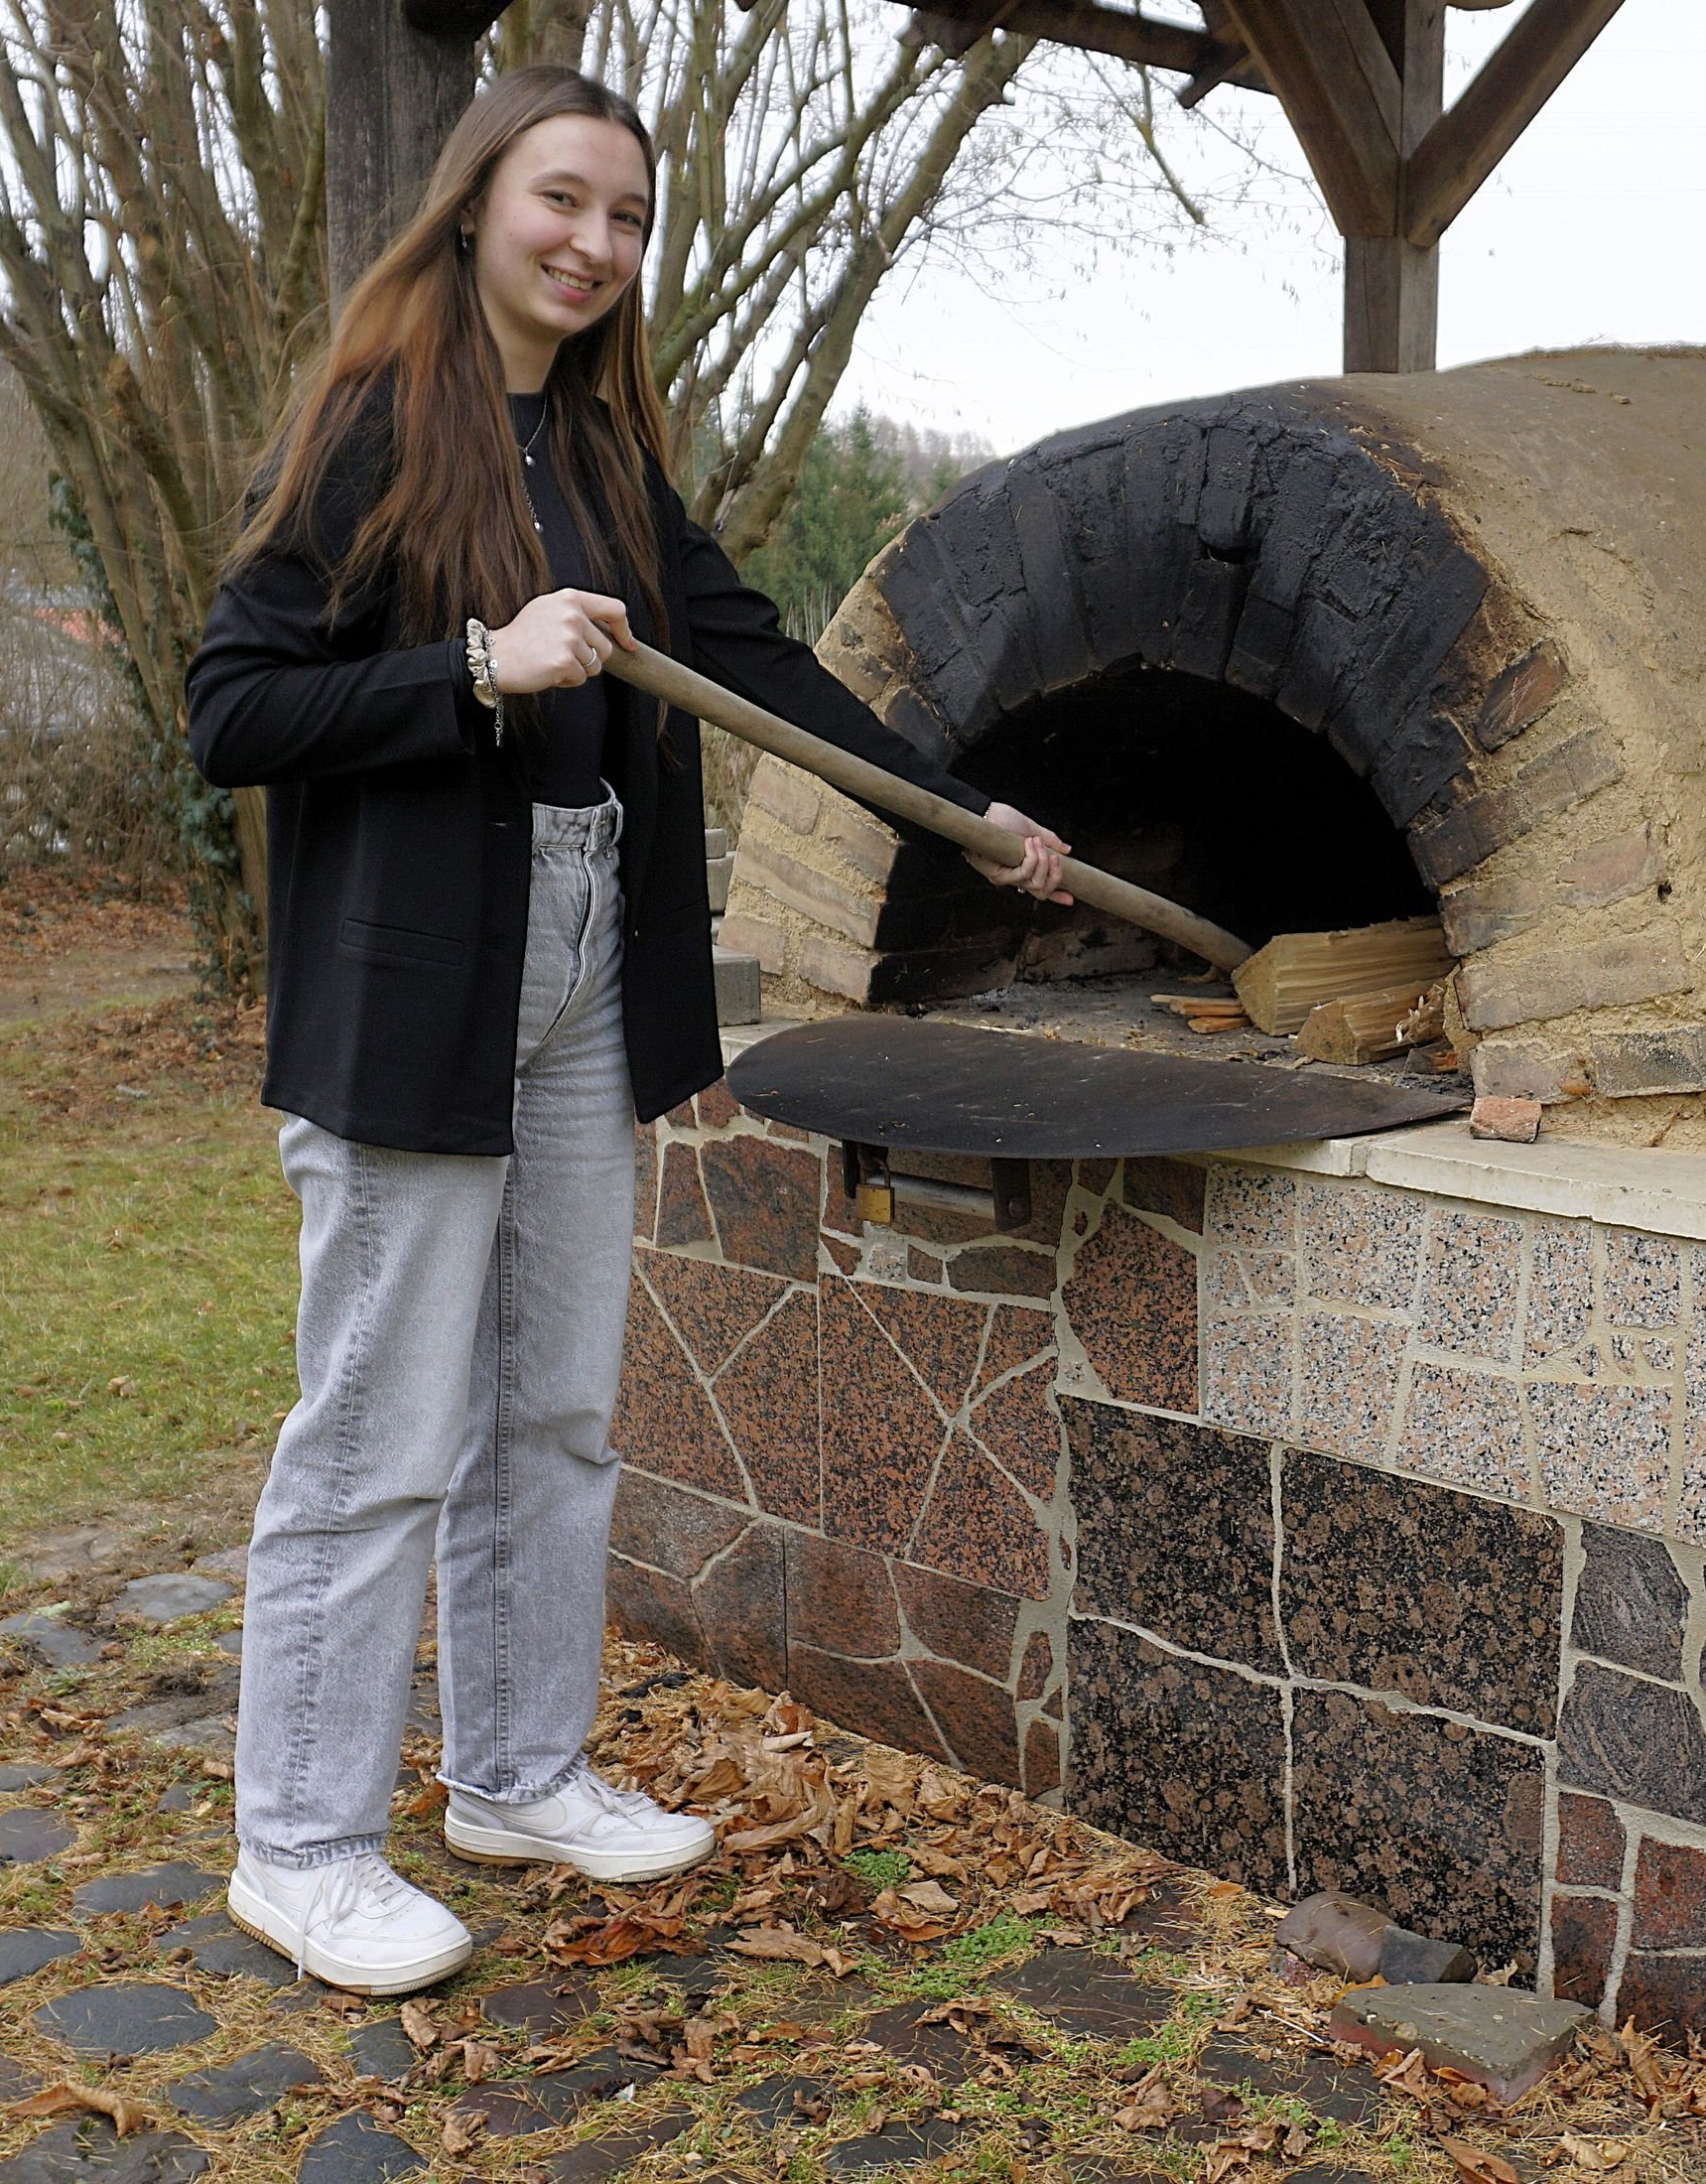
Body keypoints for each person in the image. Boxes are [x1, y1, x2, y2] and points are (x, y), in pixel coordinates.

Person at [185, 65, 1073, 1996]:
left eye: (627, 218)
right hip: (421, 983)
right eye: (561, 200)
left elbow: (748, 658)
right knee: (380, 1432)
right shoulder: (371, 424)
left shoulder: (595, 447)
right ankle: (301, 1844)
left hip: (585, 960)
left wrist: (957, 813)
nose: (593, 244)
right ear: (475, 203)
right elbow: (231, 710)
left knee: (558, 1409)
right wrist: (469, 666)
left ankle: (515, 1777)